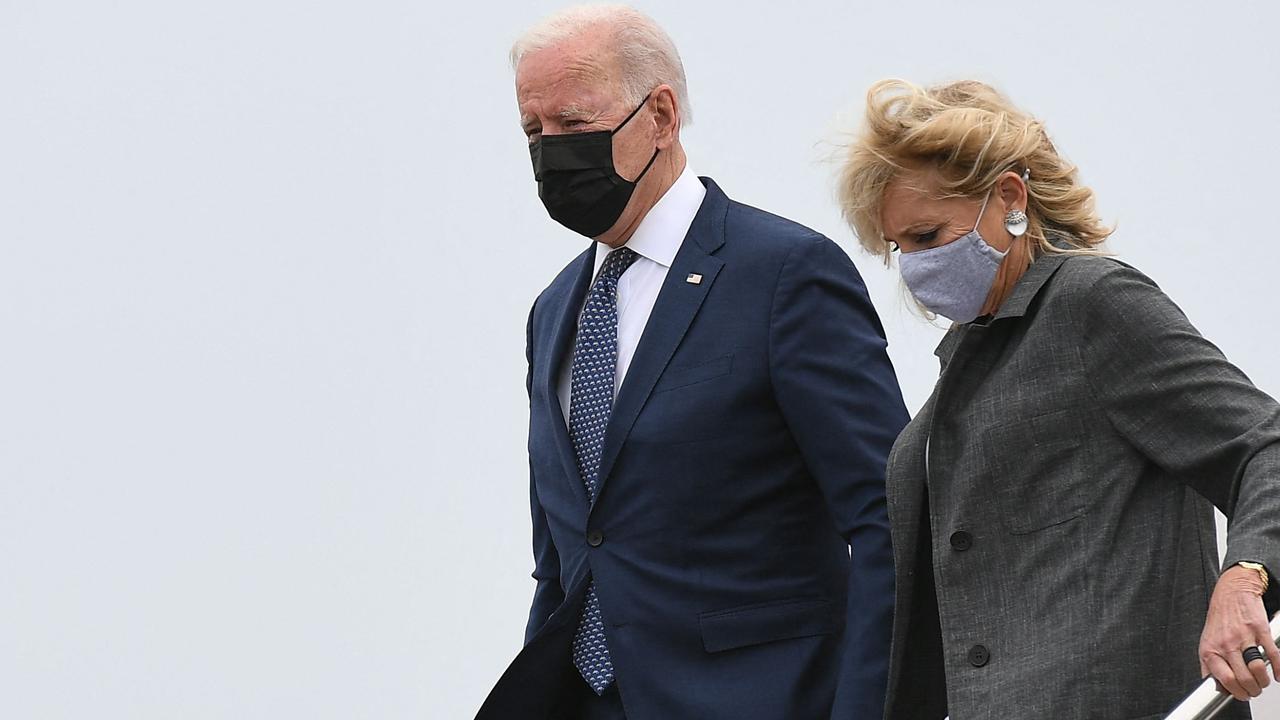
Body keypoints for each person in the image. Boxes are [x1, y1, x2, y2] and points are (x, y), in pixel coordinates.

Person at [476, 6, 909, 720]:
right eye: (534, 131)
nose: (552, 151)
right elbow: (564, 562)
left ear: (662, 115)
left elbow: (889, 522)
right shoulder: (555, 311)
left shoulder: (783, 275)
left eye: (576, 125)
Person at [836, 78, 1280, 720]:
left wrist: (1247, 577)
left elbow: (1264, 443)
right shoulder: (971, 357)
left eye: (929, 236)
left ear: (1010, 198)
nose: (913, 267)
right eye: (897, 248)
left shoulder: (1092, 304)